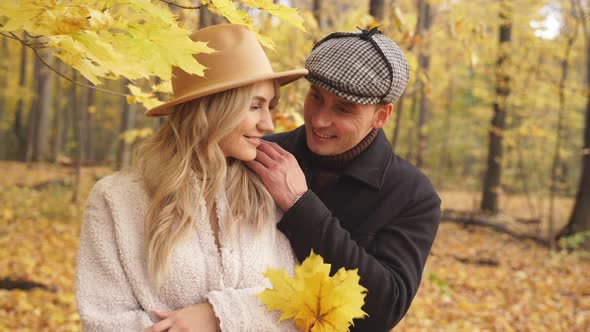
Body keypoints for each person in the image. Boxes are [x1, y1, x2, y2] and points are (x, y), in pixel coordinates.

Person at [75, 24, 307, 331]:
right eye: (254, 106)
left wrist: (220, 317)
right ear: (212, 108)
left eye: (270, 107)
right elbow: (102, 317)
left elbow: (296, 304)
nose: (267, 123)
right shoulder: (116, 199)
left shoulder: (268, 189)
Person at [246, 27, 441, 331]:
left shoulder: (413, 195)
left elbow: (384, 308)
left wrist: (300, 205)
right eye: (316, 97)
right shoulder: (263, 154)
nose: (319, 119)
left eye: (343, 108)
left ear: (381, 116)